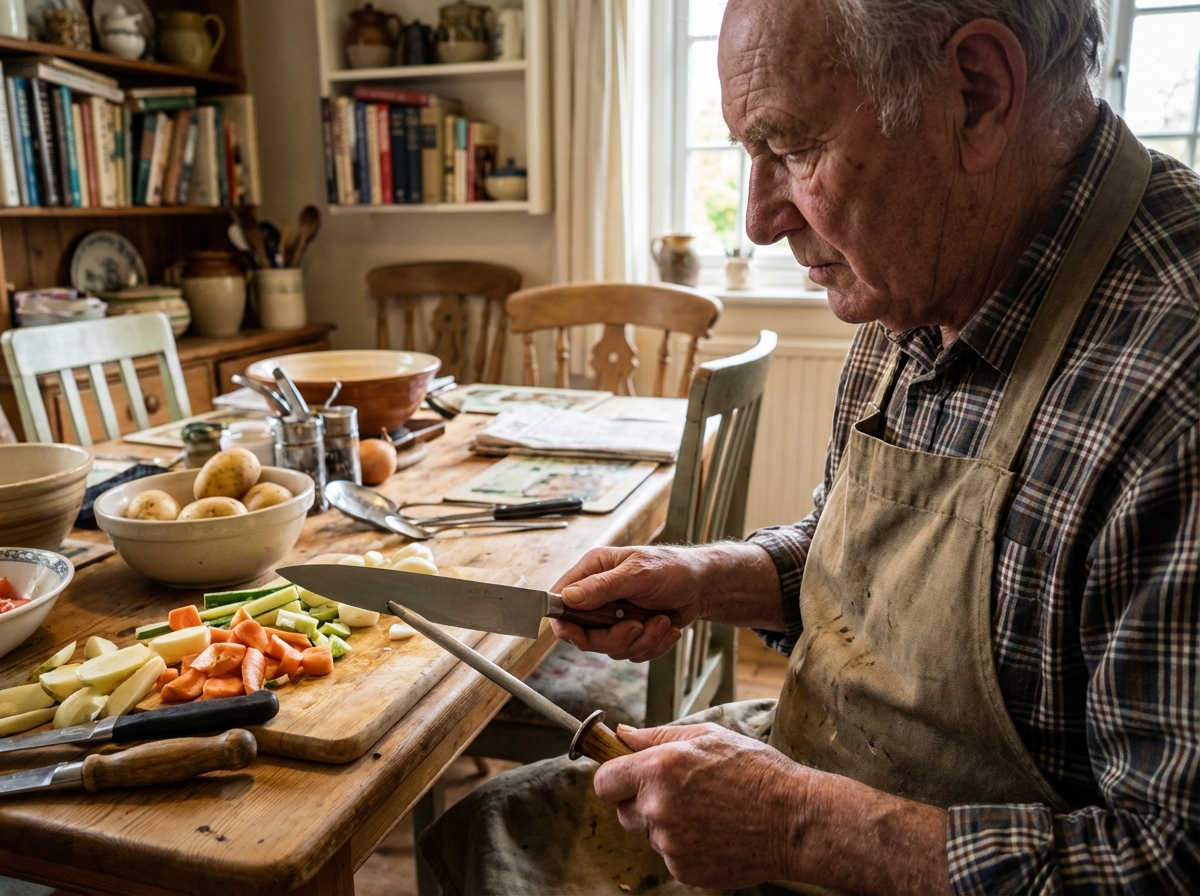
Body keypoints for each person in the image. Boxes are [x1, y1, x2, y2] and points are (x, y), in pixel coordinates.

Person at [422, 0, 1199, 892]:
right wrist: (710, 575)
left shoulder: (1174, 381)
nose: (756, 220)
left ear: (977, 93)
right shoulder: (919, 273)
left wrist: (793, 824)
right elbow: (862, 562)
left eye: (791, 150)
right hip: (834, 769)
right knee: (483, 837)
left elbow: (1170, 864)